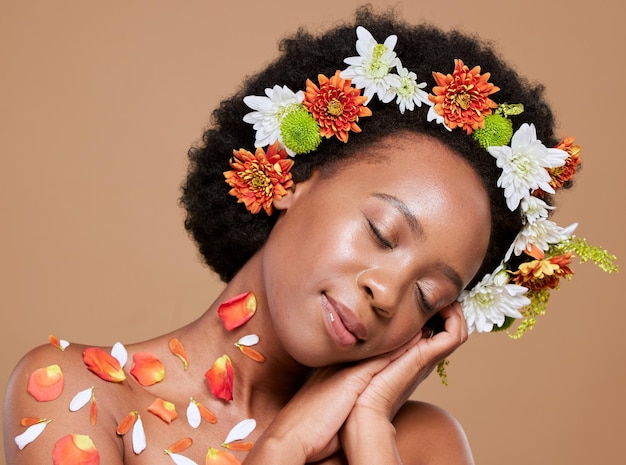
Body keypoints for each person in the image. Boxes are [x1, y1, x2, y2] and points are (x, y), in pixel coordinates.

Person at [3, 6, 615, 465]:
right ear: (295, 176)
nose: (386, 292)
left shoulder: (419, 445)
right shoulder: (76, 394)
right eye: (381, 232)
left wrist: (369, 422)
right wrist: (286, 443)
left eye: (427, 296)